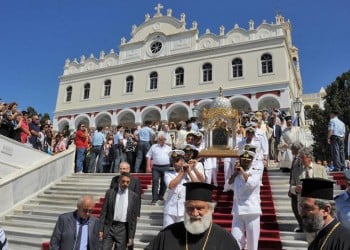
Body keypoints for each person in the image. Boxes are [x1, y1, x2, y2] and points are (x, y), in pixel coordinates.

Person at [145, 182, 240, 250]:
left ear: (211, 209)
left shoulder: (225, 239)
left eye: (200, 208)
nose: (194, 213)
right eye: (190, 208)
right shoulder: (168, 234)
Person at [299, 178, 350, 249]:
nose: (301, 213)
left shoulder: (345, 240)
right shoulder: (318, 238)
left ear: (326, 210)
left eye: (307, 208)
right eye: (301, 207)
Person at [228, 149, 261, 250]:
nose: (245, 162)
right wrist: (234, 173)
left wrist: (242, 172)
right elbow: (229, 184)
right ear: (240, 160)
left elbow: (251, 184)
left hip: (251, 211)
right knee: (235, 238)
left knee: (252, 242)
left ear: (251, 161)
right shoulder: (237, 173)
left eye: (248, 160)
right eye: (243, 160)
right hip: (238, 211)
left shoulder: (255, 172)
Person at [163, 150, 204, 228]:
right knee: (167, 232)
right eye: (173, 161)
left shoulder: (189, 172)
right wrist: (182, 173)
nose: (175, 163)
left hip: (184, 209)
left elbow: (197, 185)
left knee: (182, 234)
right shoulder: (168, 173)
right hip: (171, 208)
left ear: (182, 161)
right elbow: (171, 186)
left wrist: (188, 171)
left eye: (177, 160)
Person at [99, 172, 139, 250]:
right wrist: (101, 229)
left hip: (123, 229)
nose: (125, 184)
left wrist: (131, 236)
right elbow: (103, 212)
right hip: (109, 226)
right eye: (123, 181)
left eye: (127, 182)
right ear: (119, 181)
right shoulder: (110, 193)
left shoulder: (133, 196)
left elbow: (133, 219)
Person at [146, 132, 172, 205]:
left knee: (164, 183)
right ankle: (154, 199)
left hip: (166, 166)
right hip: (156, 167)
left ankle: (160, 196)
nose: (162, 141)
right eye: (161, 139)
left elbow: (172, 156)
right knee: (155, 182)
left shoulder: (168, 148)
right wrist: (148, 166)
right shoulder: (153, 146)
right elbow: (148, 156)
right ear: (158, 139)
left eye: (164, 139)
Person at [288, 142, 304, 232]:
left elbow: (300, 173)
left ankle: (303, 226)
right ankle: (301, 225)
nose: (291, 151)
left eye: (292, 149)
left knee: (297, 208)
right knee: (294, 208)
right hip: (294, 186)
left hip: (298, 186)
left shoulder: (300, 158)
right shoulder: (295, 158)